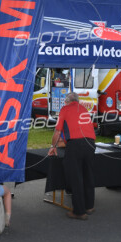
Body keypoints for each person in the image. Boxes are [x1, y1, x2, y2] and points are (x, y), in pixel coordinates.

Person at [48, 92, 96, 220]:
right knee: (88, 175)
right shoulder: (84, 109)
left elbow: (57, 131)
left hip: (75, 145)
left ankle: (79, 212)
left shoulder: (65, 109)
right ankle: (89, 206)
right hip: (90, 143)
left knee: (76, 177)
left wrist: (53, 147)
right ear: (78, 101)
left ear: (67, 101)